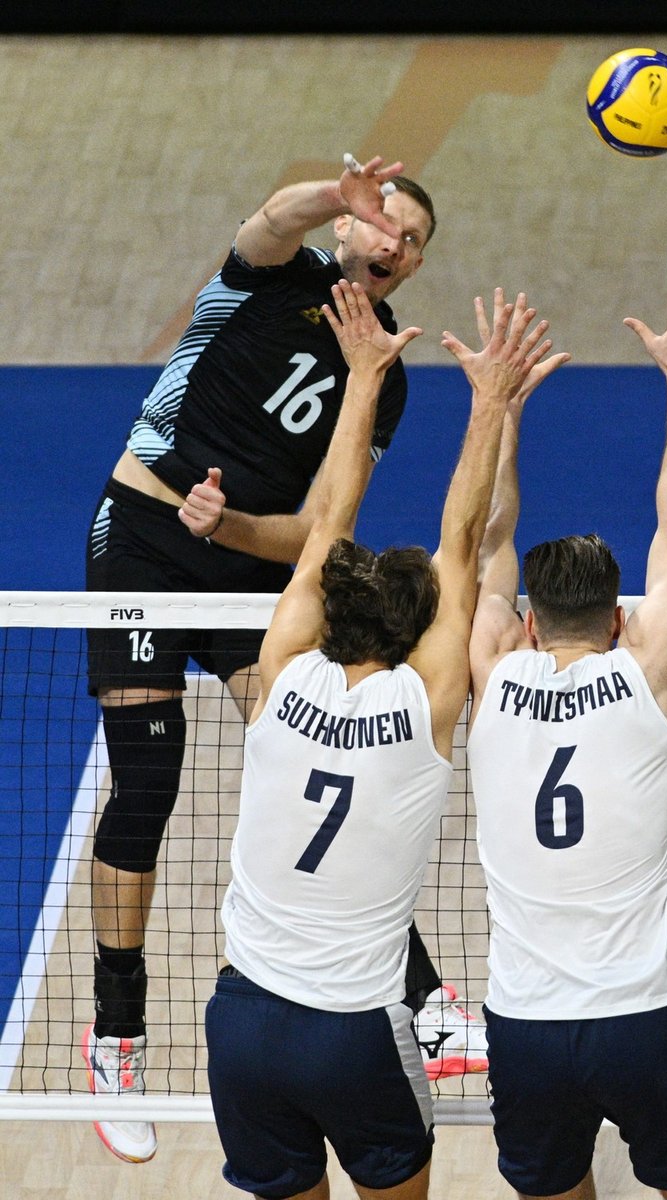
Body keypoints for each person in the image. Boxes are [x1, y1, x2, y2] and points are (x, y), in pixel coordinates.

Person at [80, 152, 470, 1163]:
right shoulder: (268, 273)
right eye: (385, 222)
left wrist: (235, 526)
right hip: (140, 542)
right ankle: (115, 1034)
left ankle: (423, 1000)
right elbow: (270, 214)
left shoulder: (383, 379)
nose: (395, 243)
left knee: (334, 751)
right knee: (146, 786)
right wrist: (334, 196)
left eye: (413, 240)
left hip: (241, 566)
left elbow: (313, 531)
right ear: (348, 227)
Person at [203, 278, 562, 1200]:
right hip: (353, 1029)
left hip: (241, 1017)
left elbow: (330, 522)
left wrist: (362, 375)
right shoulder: (420, 713)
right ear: (415, 637)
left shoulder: (282, 680)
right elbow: (464, 532)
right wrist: (489, 403)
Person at [467, 263, 667, 1200]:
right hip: (647, 1012)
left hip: (525, 1021)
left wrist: (500, 409)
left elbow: (486, 543)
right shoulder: (646, 671)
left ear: (530, 624)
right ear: (619, 619)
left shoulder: (495, 678)